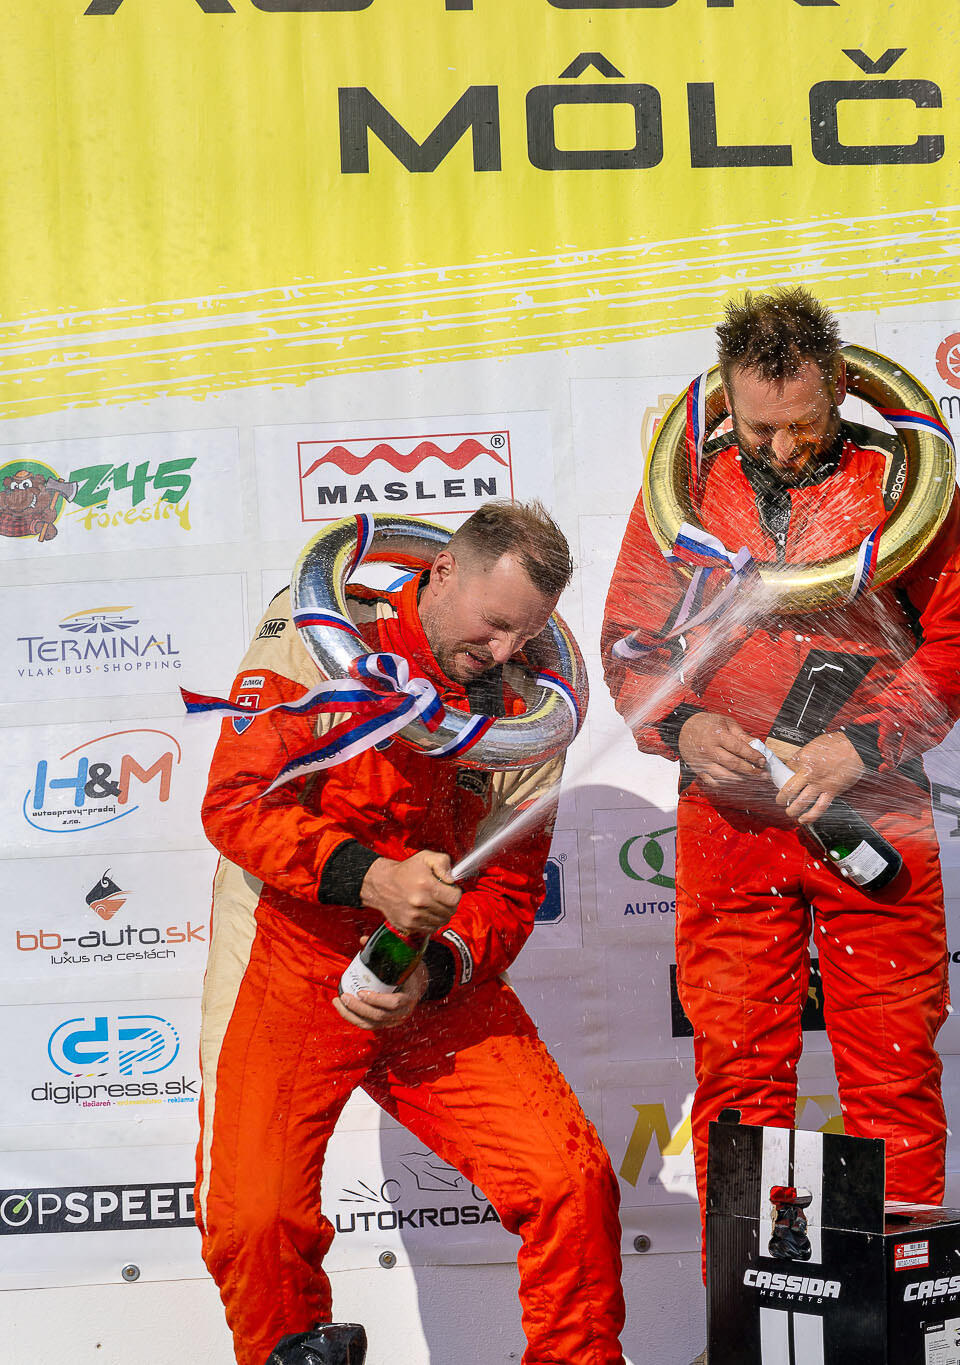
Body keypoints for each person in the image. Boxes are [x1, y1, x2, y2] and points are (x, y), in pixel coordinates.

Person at [601, 286, 960, 1237]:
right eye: (760, 427)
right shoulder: (686, 489)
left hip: (873, 807)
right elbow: (629, 643)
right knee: (737, 1081)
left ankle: (899, 1296)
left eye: (804, 425)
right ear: (724, 402)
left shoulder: (902, 485)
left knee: (893, 1073)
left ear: (841, 389)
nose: (782, 448)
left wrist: (860, 743)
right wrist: (683, 727)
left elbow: (959, 643)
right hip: (730, 818)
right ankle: (744, 1307)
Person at [196, 501, 623, 1365]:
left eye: (526, 632)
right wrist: (372, 877)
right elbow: (236, 804)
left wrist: (433, 970)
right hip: (290, 950)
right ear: (442, 571)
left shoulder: (532, 708)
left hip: (425, 971)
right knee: (255, 1218)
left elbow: (508, 889)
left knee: (568, 1179)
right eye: (493, 624)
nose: (504, 649)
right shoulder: (323, 631)